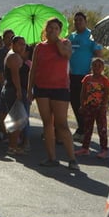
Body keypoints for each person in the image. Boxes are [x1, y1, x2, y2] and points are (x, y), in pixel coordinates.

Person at [27, 17, 80, 171]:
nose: (52, 31)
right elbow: (33, 68)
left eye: (56, 28)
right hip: (41, 88)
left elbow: (66, 55)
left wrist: (57, 41)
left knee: (62, 124)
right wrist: (29, 89)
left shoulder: (65, 43)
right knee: (47, 123)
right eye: (50, 28)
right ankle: (51, 157)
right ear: (45, 29)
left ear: (60, 30)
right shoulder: (39, 47)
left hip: (60, 88)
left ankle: (72, 159)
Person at [68, 12, 102, 143]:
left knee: (85, 104)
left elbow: (98, 54)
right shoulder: (71, 37)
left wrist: (97, 74)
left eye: (80, 20)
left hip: (86, 76)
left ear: (86, 21)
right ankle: (81, 129)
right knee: (74, 102)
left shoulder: (92, 36)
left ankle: (85, 131)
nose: (77, 22)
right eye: (75, 20)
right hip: (72, 75)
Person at [75, 57, 109, 159]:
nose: (96, 68)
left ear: (103, 68)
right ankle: (85, 148)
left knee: (102, 129)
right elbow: (83, 93)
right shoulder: (87, 78)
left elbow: (106, 94)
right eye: (94, 65)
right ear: (91, 67)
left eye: (99, 66)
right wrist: (82, 105)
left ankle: (104, 150)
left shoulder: (105, 80)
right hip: (88, 107)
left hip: (100, 108)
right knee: (87, 128)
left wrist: (103, 106)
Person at [2, 36, 31, 155]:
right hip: (14, 90)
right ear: (13, 44)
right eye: (20, 44)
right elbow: (15, 75)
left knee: (15, 119)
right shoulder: (13, 56)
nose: (22, 46)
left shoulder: (16, 55)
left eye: (24, 44)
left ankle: (13, 145)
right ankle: (13, 146)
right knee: (17, 120)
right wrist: (19, 91)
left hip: (13, 90)